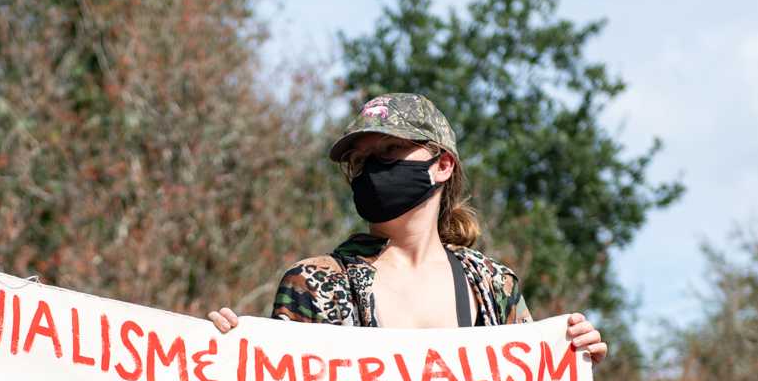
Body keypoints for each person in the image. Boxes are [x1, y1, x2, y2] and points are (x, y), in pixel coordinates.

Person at [206, 93, 605, 362]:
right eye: (361, 161)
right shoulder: (314, 283)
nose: (373, 169)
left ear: (443, 165)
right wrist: (224, 355)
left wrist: (571, 357)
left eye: (390, 151)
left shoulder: (492, 287)